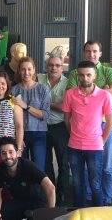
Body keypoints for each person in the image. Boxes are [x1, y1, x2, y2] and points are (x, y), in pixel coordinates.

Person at [66, 40, 112, 206]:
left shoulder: (105, 89)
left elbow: (110, 121)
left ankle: (103, 207)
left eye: (88, 75)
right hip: (75, 143)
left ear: (95, 75)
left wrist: (101, 141)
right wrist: (74, 134)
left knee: (101, 175)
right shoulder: (71, 93)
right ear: (77, 75)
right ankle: (82, 211)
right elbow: (67, 119)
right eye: (81, 75)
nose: (84, 78)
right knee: (78, 182)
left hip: (97, 140)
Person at [0, 137, 56, 220]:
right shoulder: (0, 168)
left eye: (11, 152)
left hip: (37, 202)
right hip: (18, 202)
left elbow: (50, 187)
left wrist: (49, 214)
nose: (7, 156)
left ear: (17, 153)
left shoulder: (28, 166)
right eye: (3, 153)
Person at [37, 54, 69, 205]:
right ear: (46, 66)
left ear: (62, 68)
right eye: (51, 65)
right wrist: (54, 104)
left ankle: (62, 195)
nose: (54, 68)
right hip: (41, 127)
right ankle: (50, 193)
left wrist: (45, 103)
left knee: (63, 163)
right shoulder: (39, 79)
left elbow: (66, 107)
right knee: (46, 162)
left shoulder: (68, 83)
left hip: (60, 127)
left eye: (57, 65)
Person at [11, 56, 50, 172]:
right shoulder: (14, 90)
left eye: (29, 69)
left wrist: (26, 107)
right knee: (21, 168)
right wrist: (17, 136)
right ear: (19, 71)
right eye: (23, 69)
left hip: (38, 134)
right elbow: (10, 116)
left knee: (38, 169)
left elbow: (45, 115)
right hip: (20, 134)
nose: (26, 72)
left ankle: (37, 191)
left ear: (34, 70)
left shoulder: (43, 89)